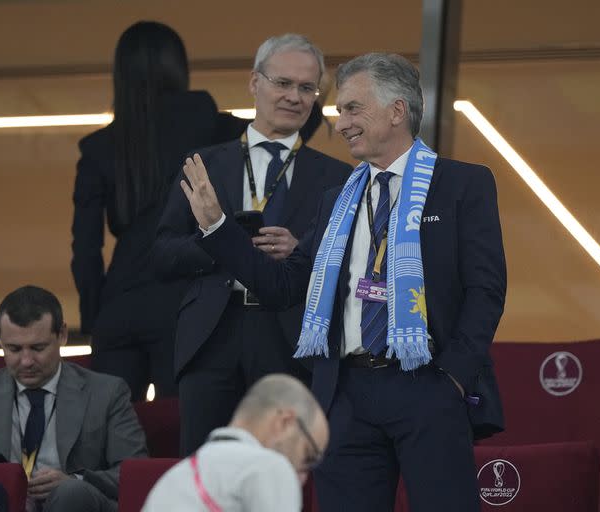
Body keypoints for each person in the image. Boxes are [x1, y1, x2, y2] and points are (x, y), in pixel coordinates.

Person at [178, 53, 506, 512]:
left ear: (397, 111)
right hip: (345, 394)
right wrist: (218, 229)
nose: (340, 122)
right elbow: (285, 286)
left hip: (427, 385)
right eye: (340, 111)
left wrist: (451, 378)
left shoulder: (462, 184)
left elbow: (486, 290)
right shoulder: (337, 199)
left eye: (353, 108)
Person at [71, 22, 325, 402]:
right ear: (178, 67)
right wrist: (308, 96)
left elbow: (85, 250)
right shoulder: (205, 120)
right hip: (182, 301)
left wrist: (95, 318)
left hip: (118, 302)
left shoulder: (98, 147)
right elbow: (281, 128)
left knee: (110, 429)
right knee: (179, 426)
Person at [154, 33, 351, 455]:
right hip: (212, 334)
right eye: (282, 83)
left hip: (291, 339)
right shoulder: (204, 164)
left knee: (283, 472)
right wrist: (220, 239)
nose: (294, 97)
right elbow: (162, 253)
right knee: (205, 472)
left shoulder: (337, 176)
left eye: (306, 88)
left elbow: (351, 262)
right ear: (254, 83)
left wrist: (303, 249)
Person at [0, 286, 147, 512]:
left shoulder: (107, 392)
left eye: (38, 348)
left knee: (70, 493)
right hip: (4, 503)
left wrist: (75, 480)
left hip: (76, 502)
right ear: (0, 341)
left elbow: (134, 473)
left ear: (62, 335)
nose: (26, 361)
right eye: (14, 349)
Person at [142, 374, 329, 511]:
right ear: (285, 422)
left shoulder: (176, 476)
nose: (304, 477)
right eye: (308, 456)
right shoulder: (270, 466)